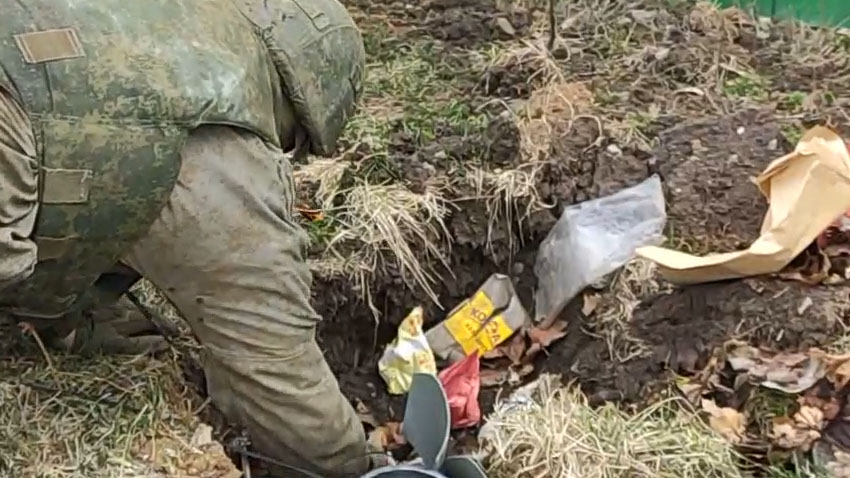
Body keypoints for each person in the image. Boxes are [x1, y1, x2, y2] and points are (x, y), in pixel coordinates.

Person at [0, 0, 369, 475]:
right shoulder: (224, 146)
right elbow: (277, 369)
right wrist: (352, 465)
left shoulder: (160, 32)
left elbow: (95, 174)